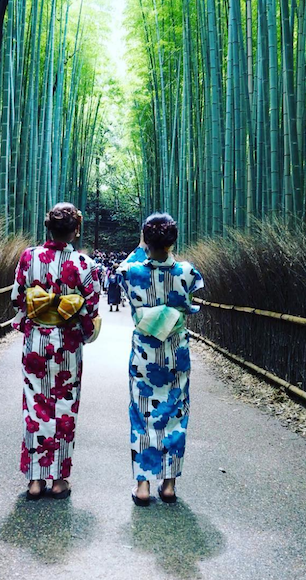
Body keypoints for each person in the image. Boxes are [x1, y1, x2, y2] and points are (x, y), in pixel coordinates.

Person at [11, 202, 101, 500]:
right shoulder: (84, 264)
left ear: (48, 226)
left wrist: (39, 309)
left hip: (36, 340)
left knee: (36, 406)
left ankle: (35, 480)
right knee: (65, 407)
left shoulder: (28, 256)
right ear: (76, 230)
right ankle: (59, 478)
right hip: (67, 344)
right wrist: (80, 327)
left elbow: (18, 299)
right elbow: (91, 309)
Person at [118, 213, 204, 506]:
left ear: (145, 239)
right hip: (176, 351)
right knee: (176, 415)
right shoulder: (187, 272)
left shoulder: (132, 272)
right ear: (173, 239)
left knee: (142, 415)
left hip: (144, 352)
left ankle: (142, 485)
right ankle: (168, 485)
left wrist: (142, 246)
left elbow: (124, 266)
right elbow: (192, 304)